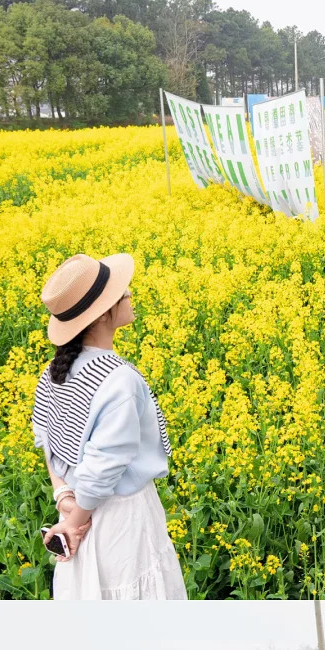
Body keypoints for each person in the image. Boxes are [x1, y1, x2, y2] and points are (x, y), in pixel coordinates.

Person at [33, 252, 187, 601]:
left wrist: (65, 499)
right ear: (104, 313)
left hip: (77, 511)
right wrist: (73, 527)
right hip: (120, 523)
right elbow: (104, 465)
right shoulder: (119, 381)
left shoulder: (54, 372)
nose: (129, 293)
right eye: (123, 291)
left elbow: (47, 438)